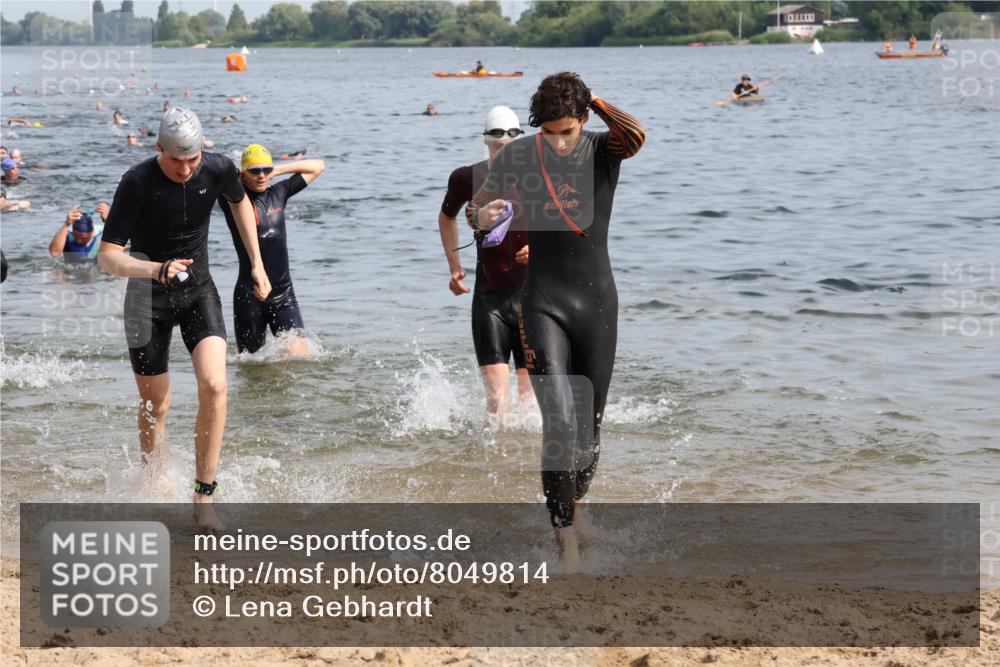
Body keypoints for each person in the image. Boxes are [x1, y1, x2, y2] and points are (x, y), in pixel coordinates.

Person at [470, 72, 645, 569]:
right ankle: (564, 537)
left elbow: (636, 133)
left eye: (566, 130)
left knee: (589, 431)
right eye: (548, 132)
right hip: (542, 301)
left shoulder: (603, 149)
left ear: (584, 119)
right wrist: (482, 217)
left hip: (597, 304)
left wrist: (596, 99)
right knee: (560, 422)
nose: (559, 142)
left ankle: (576, 506)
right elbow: (478, 211)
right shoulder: (523, 155)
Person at [98, 107, 272, 530]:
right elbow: (108, 258)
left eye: (192, 158)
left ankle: (204, 495)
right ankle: (152, 481)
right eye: (176, 159)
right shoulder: (137, 182)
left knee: (214, 385)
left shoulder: (219, 168)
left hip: (198, 292)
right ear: (159, 149)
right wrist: (154, 268)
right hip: (145, 300)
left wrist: (256, 263)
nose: (185, 167)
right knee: (155, 404)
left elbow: (241, 204)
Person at [438, 106, 533, 421]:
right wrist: (455, 266)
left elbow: (571, 225)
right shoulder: (467, 177)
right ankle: (493, 465)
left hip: (533, 299)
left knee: (530, 402)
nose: (504, 144)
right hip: (489, 298)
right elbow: (446, 216)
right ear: (485, 140)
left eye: (511, 138)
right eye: (496, 140)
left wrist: (542, 249)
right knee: (496, 405)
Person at [220, 143, 324, 356]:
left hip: (284, 294)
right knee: (251, 364)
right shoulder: (232, 199)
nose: (261, 175)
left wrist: (277, 170)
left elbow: (318, 166)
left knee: (297, 352)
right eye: (255, 171)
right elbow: (219, 176)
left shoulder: (280, 192)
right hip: (250, 296)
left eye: (265, 170)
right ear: (243, 174)